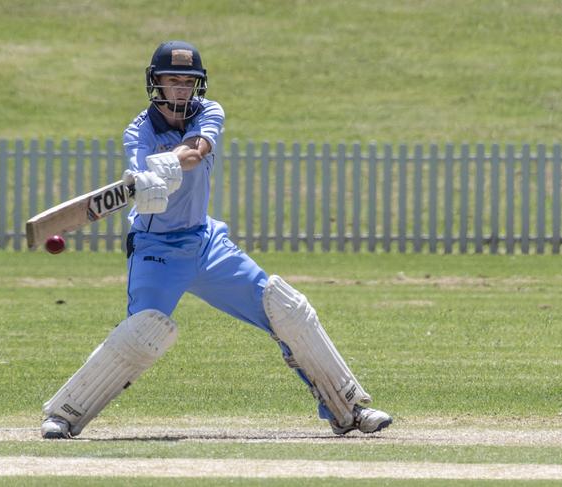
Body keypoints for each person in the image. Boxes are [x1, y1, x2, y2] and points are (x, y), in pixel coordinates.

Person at [40, 40, 392, 439]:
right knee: (142, 332)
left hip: (206, 244)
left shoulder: (209, 111)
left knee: (286, 308)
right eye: (171, 81)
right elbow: (148, 190)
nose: (180, 90)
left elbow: (198, 149)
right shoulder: (137, 131)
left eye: (187, 82)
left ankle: (347, 409)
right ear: (155, 84)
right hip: (157, 252)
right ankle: (65, 415)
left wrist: (169, 163)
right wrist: (147, 183)